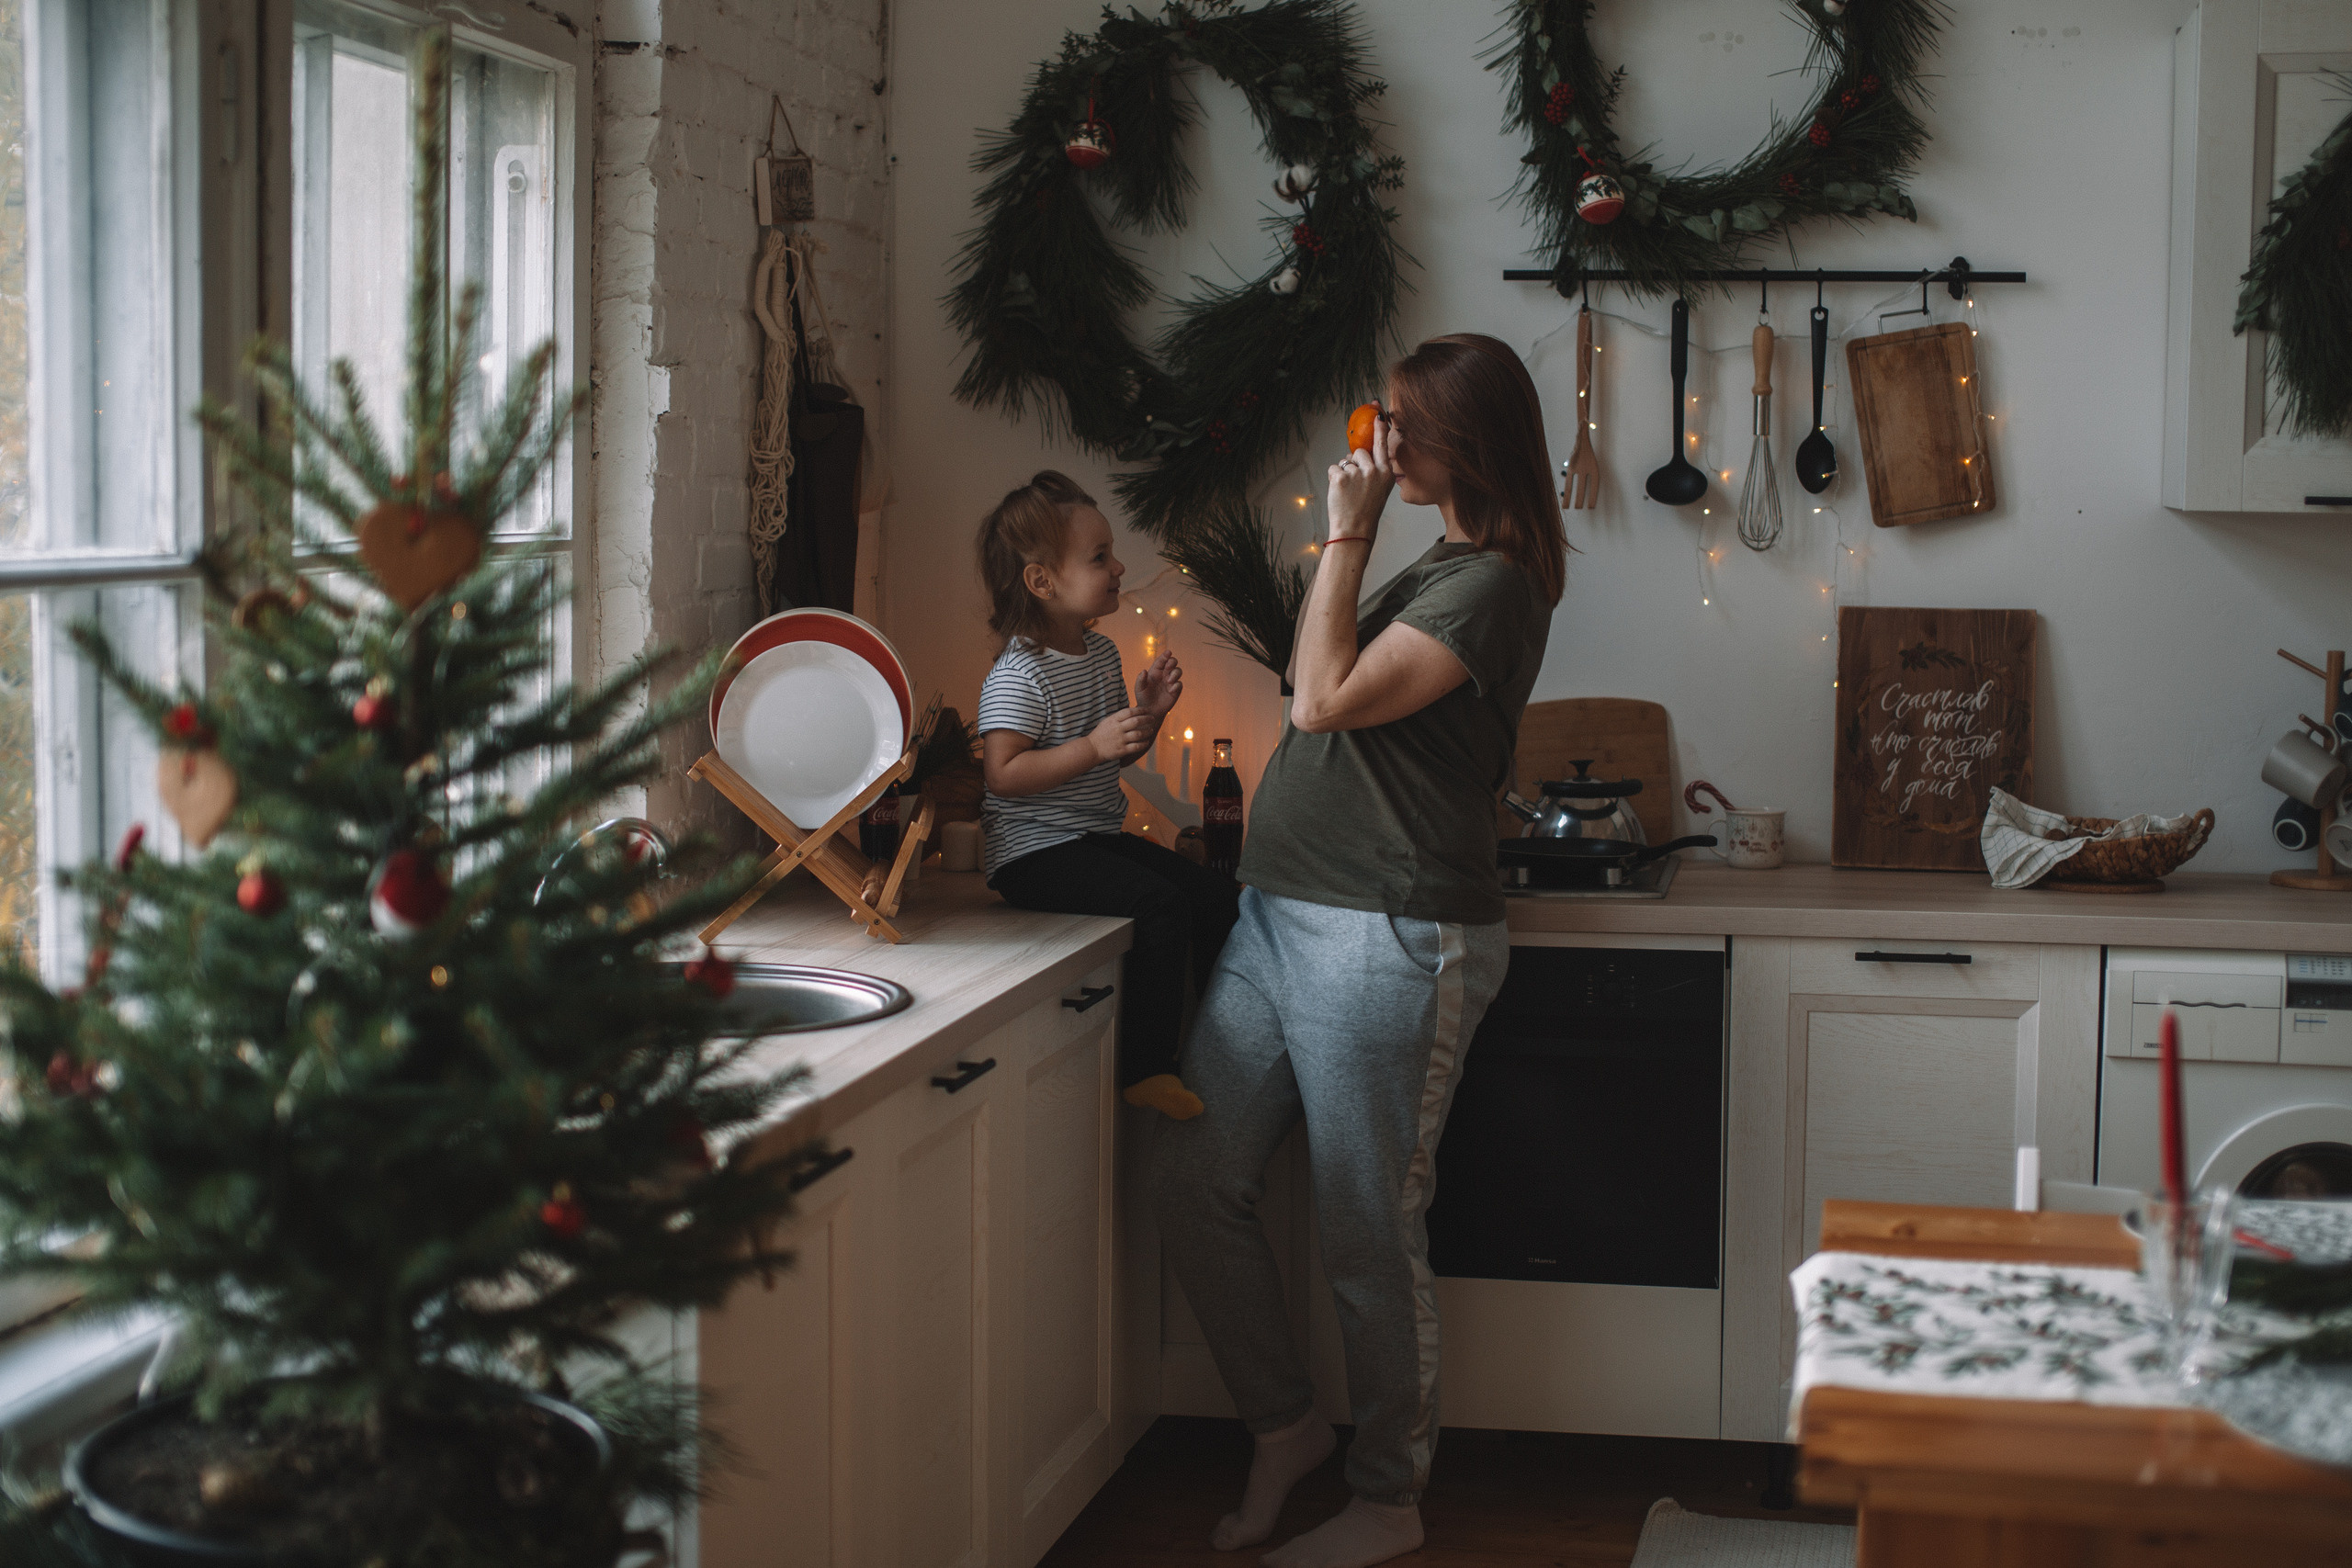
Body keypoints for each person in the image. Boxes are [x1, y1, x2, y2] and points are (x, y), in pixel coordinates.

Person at [1154, 335, 1567, 1567]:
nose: (1375, 442)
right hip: (1279, 916)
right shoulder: (1440, 558)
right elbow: (1312, 674)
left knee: (1366, 1226)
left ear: (1464, 443)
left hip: (1387, 934)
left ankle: (1389, 1496)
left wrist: (1346, 530)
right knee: (1193, 1179)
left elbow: (1319, 700)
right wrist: (1362, 536)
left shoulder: (1494, 585)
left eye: (1401, 424)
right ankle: (1285, 1427)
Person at [974, 470, 1239, 1120]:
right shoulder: (1018, 673)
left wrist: (1147, 714)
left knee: (1215, 895)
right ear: (1042, 581)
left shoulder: (1099, 653)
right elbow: (1003, 774)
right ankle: (1147, 1068)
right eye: (1100, 557)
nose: (1119, 567)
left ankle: (1222, 1045)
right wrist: (1091, 746)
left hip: (1090, 835)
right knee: (1158, 904)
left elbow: (1114, 752)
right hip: (1032, 854)